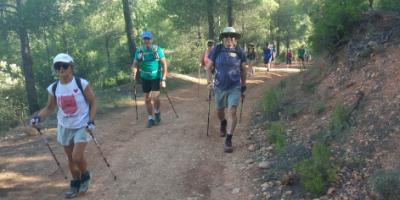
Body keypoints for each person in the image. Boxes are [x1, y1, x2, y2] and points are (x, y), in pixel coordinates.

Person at [30, 53, 97, 198]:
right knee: (70, 158)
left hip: (82, 125)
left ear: (71, 67)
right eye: (57, 66)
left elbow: (93, 102)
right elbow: (49, 107)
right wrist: (37, 118)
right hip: (64, 126)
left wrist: (91, 121)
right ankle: (75, 183)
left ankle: (85, 175)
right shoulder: (53, 88)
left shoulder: (81, 83)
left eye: (64, 66)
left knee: (77, 157)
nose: (61, 69)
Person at [206, 27, 247, 153]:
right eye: (226, 36)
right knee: (220, 111)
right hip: (219, 86)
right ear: (222, 38)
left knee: (232, 111)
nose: (229, 38)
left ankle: (228, 139)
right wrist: (209, 82)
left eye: (232, 36)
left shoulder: (240, 51)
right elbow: (208, 67)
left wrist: (243, 85)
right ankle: (223, 122)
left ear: (235, 38)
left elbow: (243, 69)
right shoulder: (217, 49)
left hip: (234, 86)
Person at [131, 31, 168, 128]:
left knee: (155, 97)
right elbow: (135, 63)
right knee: (147, 98)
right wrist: (134, 72)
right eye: (144, 39)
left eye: (148, 39)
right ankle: (150, 118)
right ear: (142, 40)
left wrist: (163, 79)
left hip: (156, 76)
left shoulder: (157, 50)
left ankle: (157, 112)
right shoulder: (139, 51)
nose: (146, 41)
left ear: (152, 39)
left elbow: (164, 64)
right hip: (145, 77)